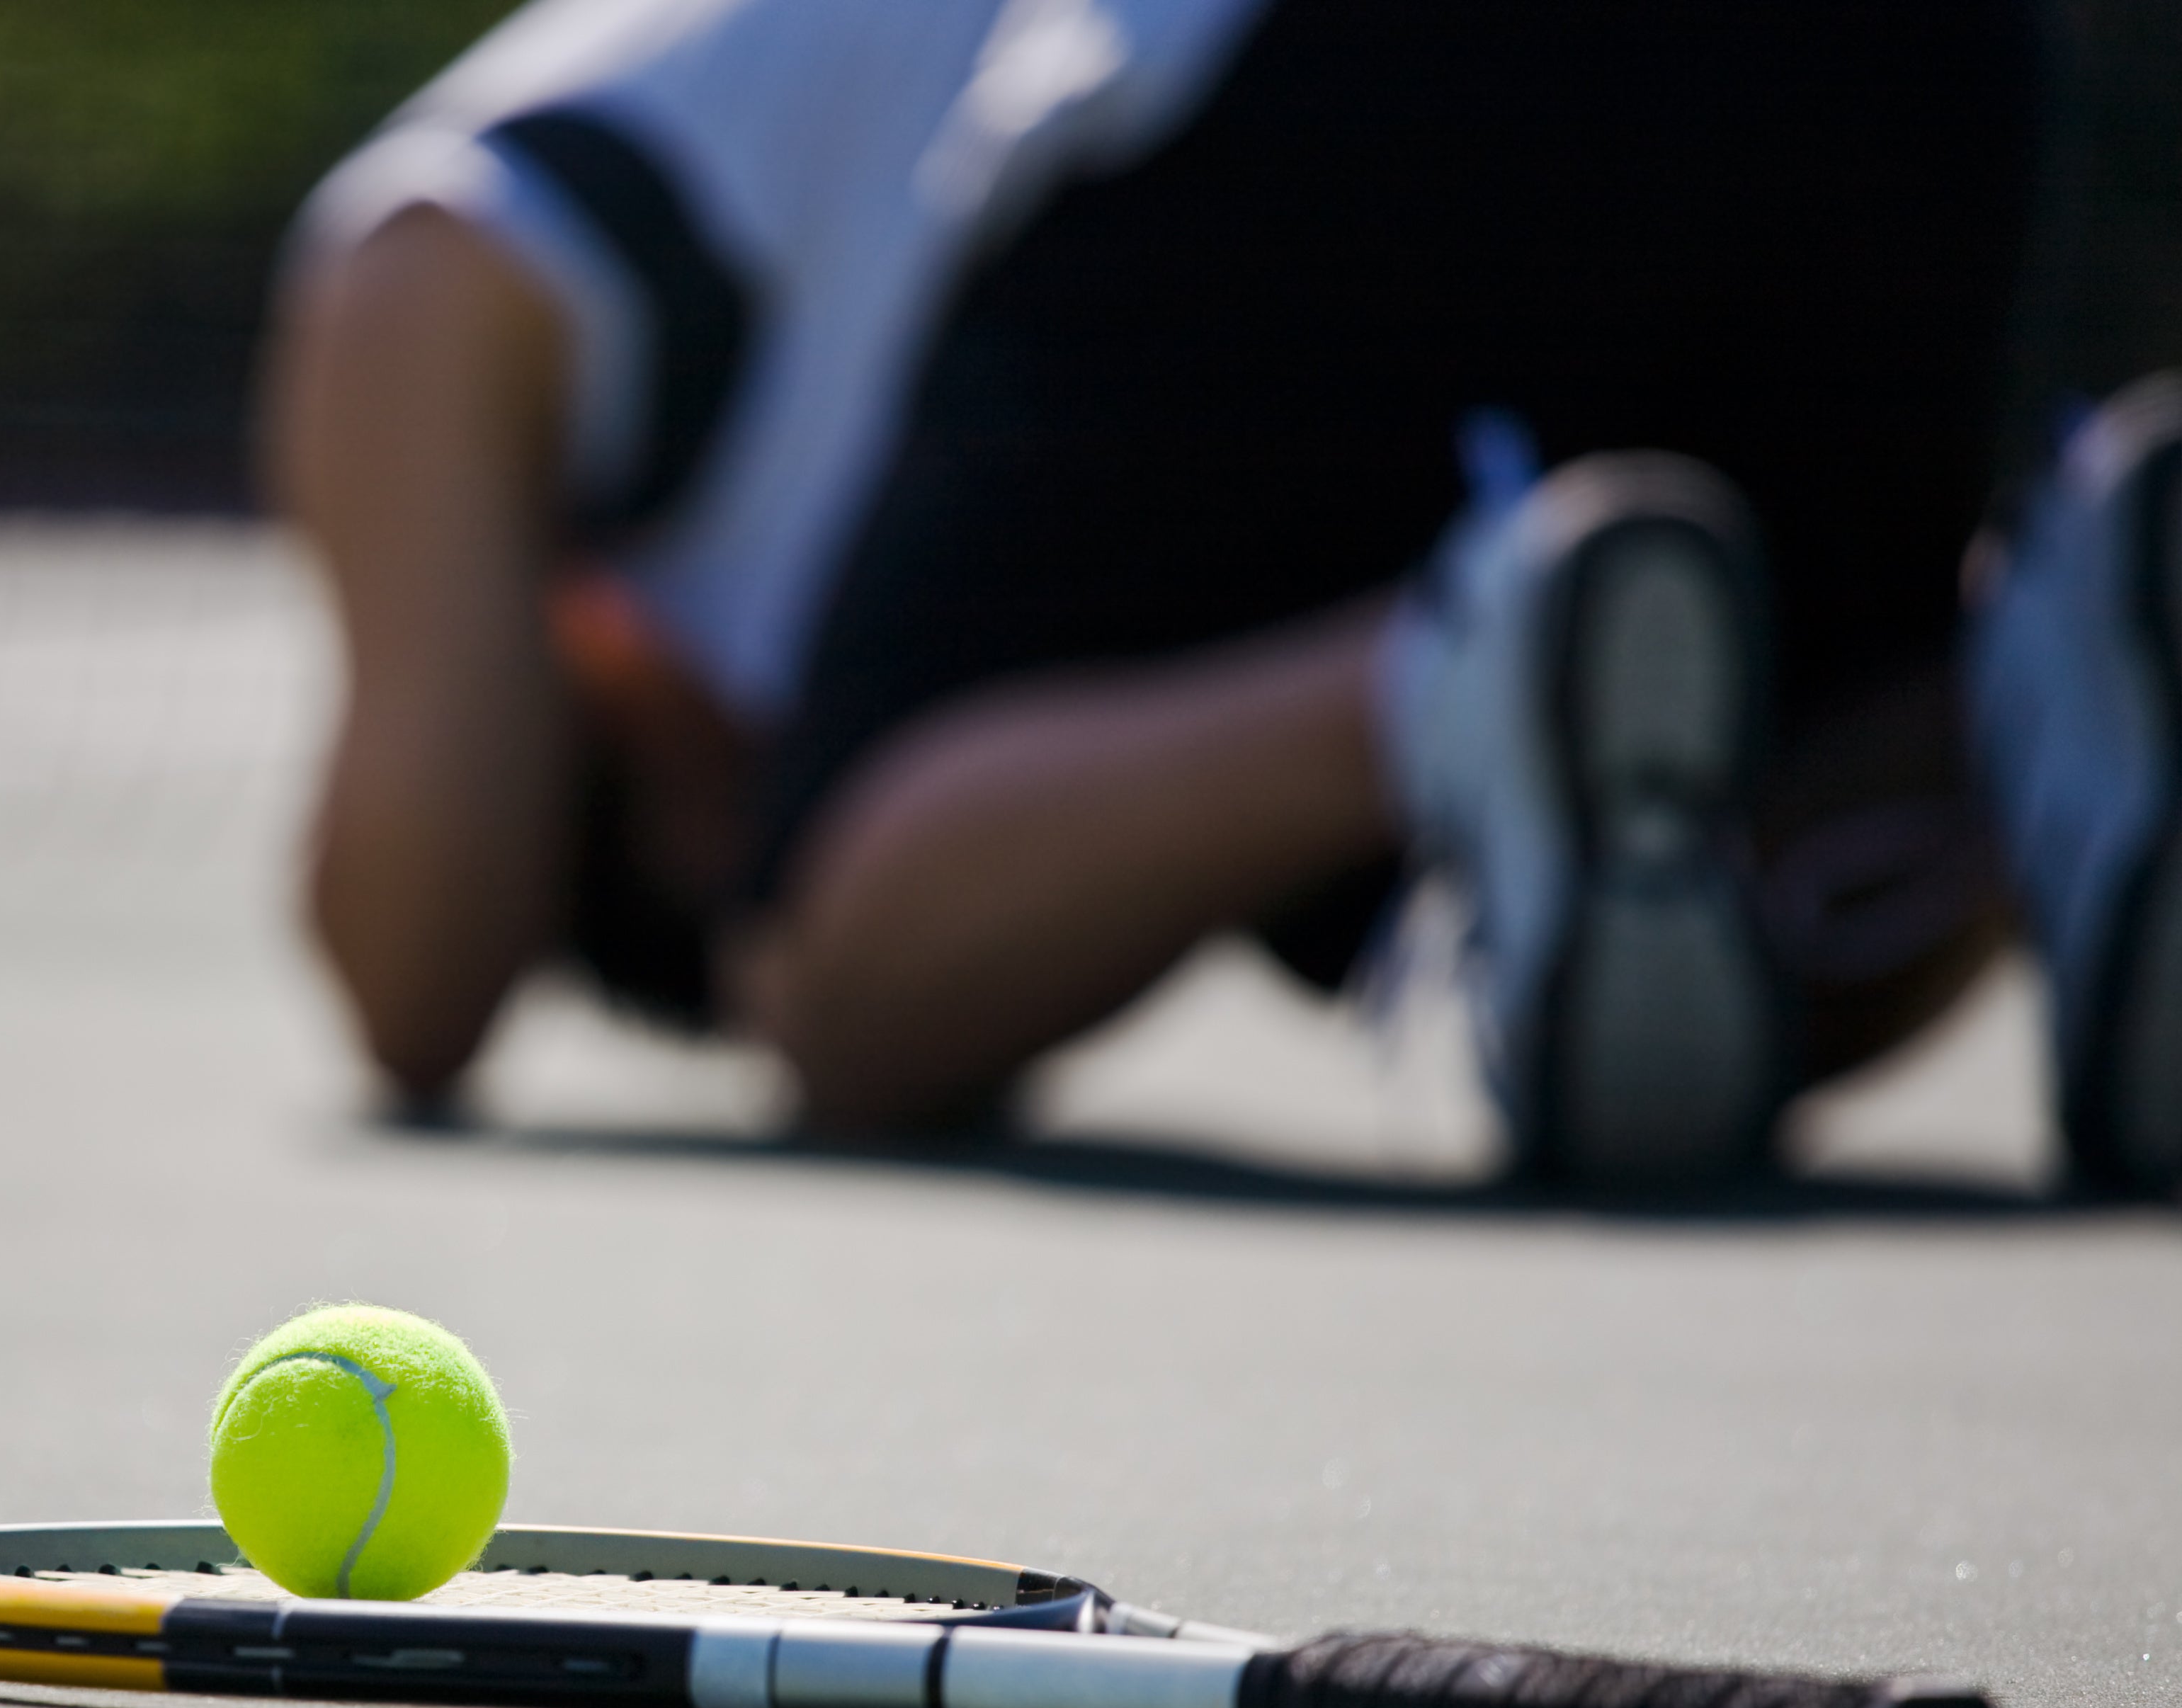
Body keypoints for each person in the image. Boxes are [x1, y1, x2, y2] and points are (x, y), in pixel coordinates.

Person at [263, 0, 2177, 1191]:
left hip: (1291, 71)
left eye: (695, 808)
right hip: (1906, 61)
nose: (739, 798)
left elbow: (417, 991)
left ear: (597, 643)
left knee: (842, 988)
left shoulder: (442, 256)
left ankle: (1453, 672)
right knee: (1712, 887)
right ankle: (2037, 690)